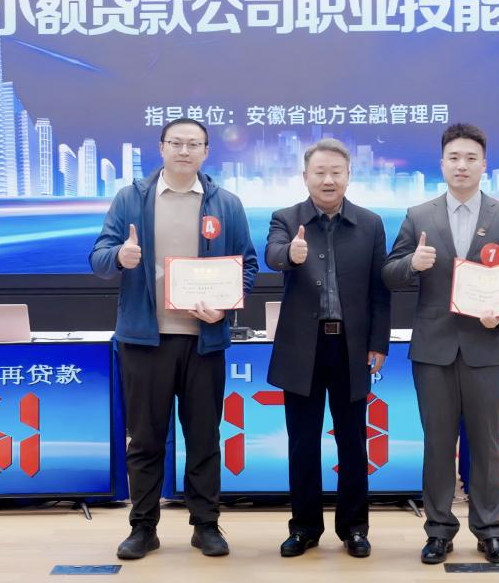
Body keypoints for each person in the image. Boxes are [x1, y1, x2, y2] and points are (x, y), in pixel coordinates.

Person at [90, 118, 258, 559]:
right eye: (176, 143)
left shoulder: (226, 204)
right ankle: (143, 527)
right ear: (162, 147)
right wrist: (120, 256)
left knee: (203, 438)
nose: (185, 151)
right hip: (145, 340)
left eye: (194, 144)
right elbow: (99, 257)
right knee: (145, 439)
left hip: (204, 341)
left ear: (206, 152)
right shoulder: (131, 198)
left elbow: (248, 266)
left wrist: (226, 306)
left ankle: (206, 525)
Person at [382, 123, 499, 565]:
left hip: (487, 347)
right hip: (434, 350)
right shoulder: (419, 215)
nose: (462, 165)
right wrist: (412, 263)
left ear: (484, 165)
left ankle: (489, 531)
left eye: (471, 158)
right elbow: (390, 273)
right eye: (454, 158)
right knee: (437, 443)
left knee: (487, 444)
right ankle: (438, 530)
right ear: (442, 164)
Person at [264, 139, 391, 559]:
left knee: (353, 442)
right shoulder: (286, 219)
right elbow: (273, 254)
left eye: (336, 171)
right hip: (302, 348)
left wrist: (378, 342)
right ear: (305, 177)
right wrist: (291, 253)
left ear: (349, 176)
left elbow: (379, 291)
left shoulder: (370, 224)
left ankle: (354, 528)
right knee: (303, 443)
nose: (328, 179)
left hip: (351, 349)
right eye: (320, 172)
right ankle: (304, 527)